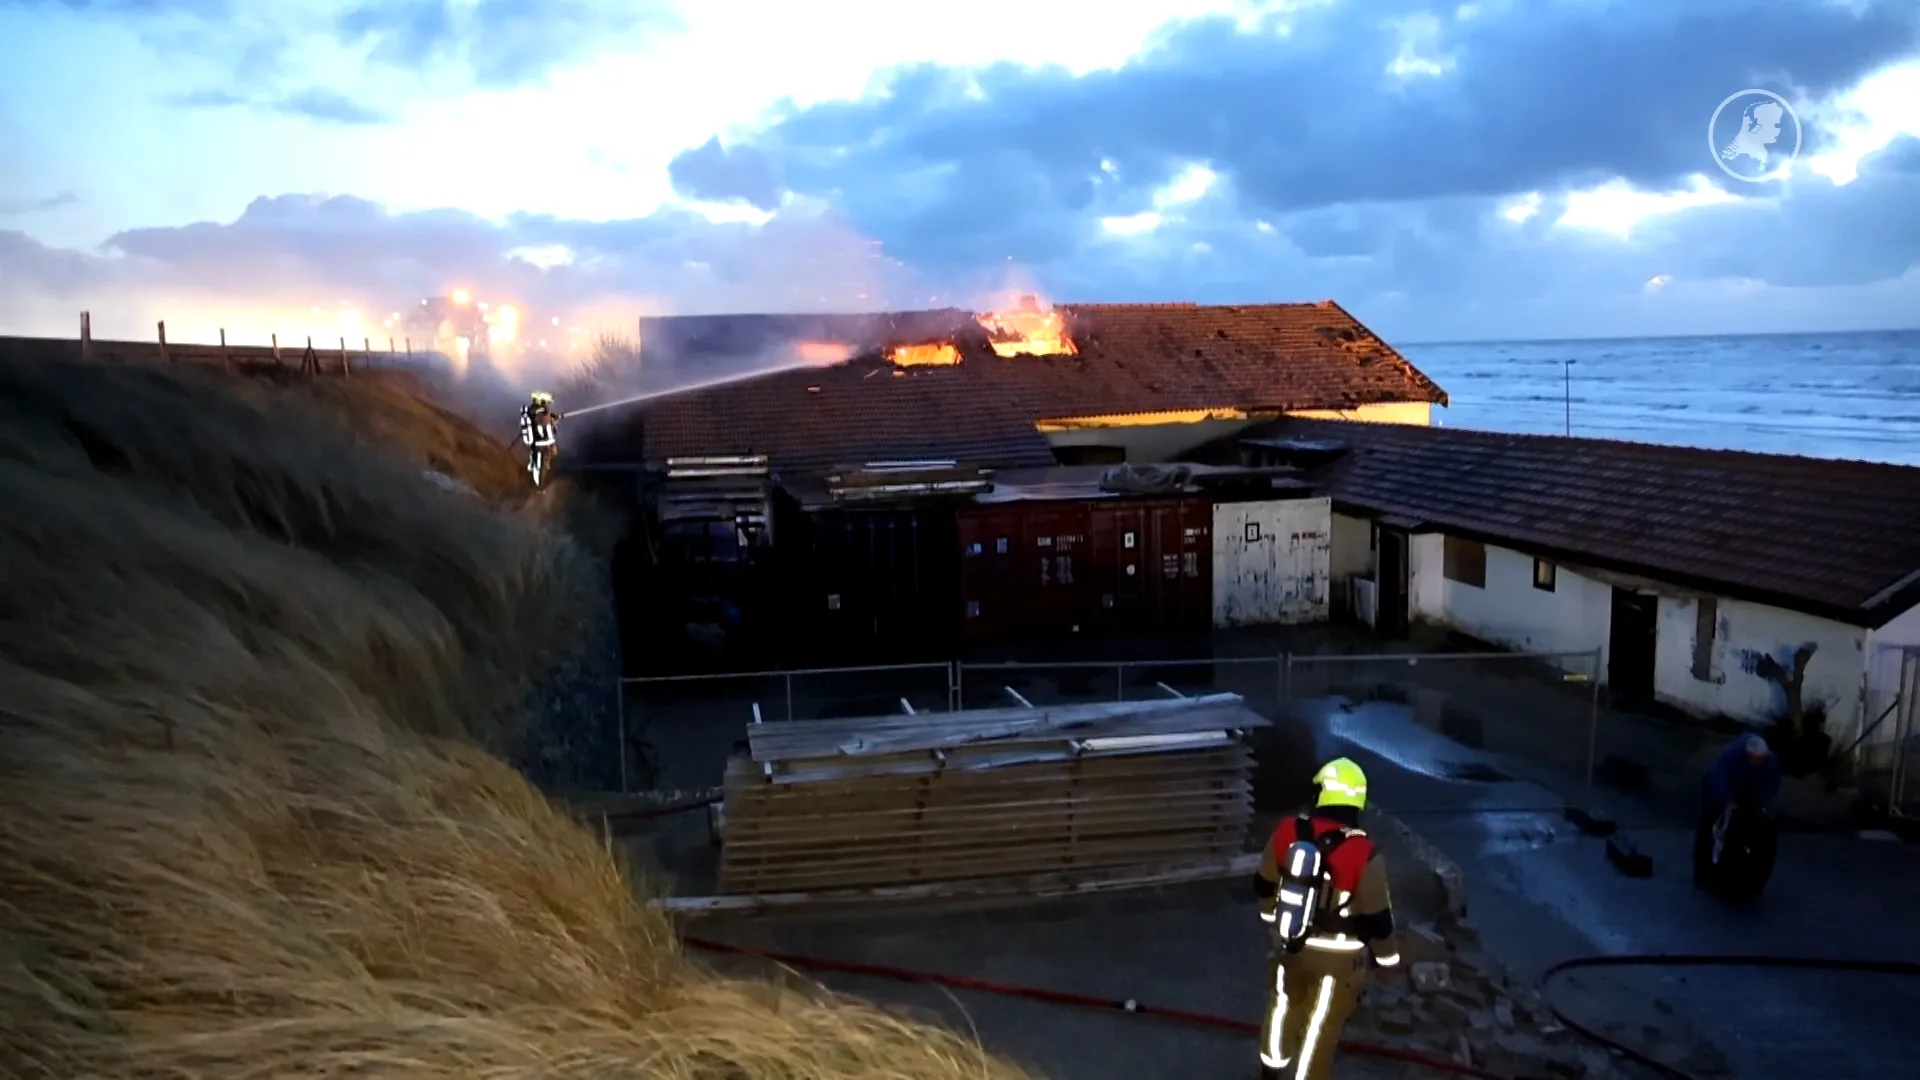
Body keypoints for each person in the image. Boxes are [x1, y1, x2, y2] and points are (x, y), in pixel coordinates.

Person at [1253, 757, 1402, 1080]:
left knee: (1282, 1007)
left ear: (1319, 792)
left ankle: (1271, 1069)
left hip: (1287, 946)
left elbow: (1263, 884)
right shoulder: (1365, 853)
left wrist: (1272, 923)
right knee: (1319, 1028)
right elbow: (1378, 919)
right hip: (1338, 963)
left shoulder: (1287, 831)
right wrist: (1388, 963)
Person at [1693, 733, 1780, 883]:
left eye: (1760, 759)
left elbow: (1772, 786)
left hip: (1745, 791)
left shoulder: (1770, 761)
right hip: (1719, 789)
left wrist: (1761, 802)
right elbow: (1717, 778)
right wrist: (1727, 802)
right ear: (1747, 753)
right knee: (1708, 823)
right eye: (1753, 758)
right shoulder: (1731, 755)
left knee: (1751, 821)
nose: (1756, 761)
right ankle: (1701, 869)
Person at [519, 390, 561, 486]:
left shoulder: (531, 410)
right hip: (543, 443)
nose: (548, 405)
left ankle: (532, 474)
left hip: (533, 443)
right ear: (542, 402)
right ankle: (540, 487)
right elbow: (549, 430)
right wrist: (553, 422)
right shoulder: (544, 413)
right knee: (546, 462)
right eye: (547, 403)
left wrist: (552, 417)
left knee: (535, 463)